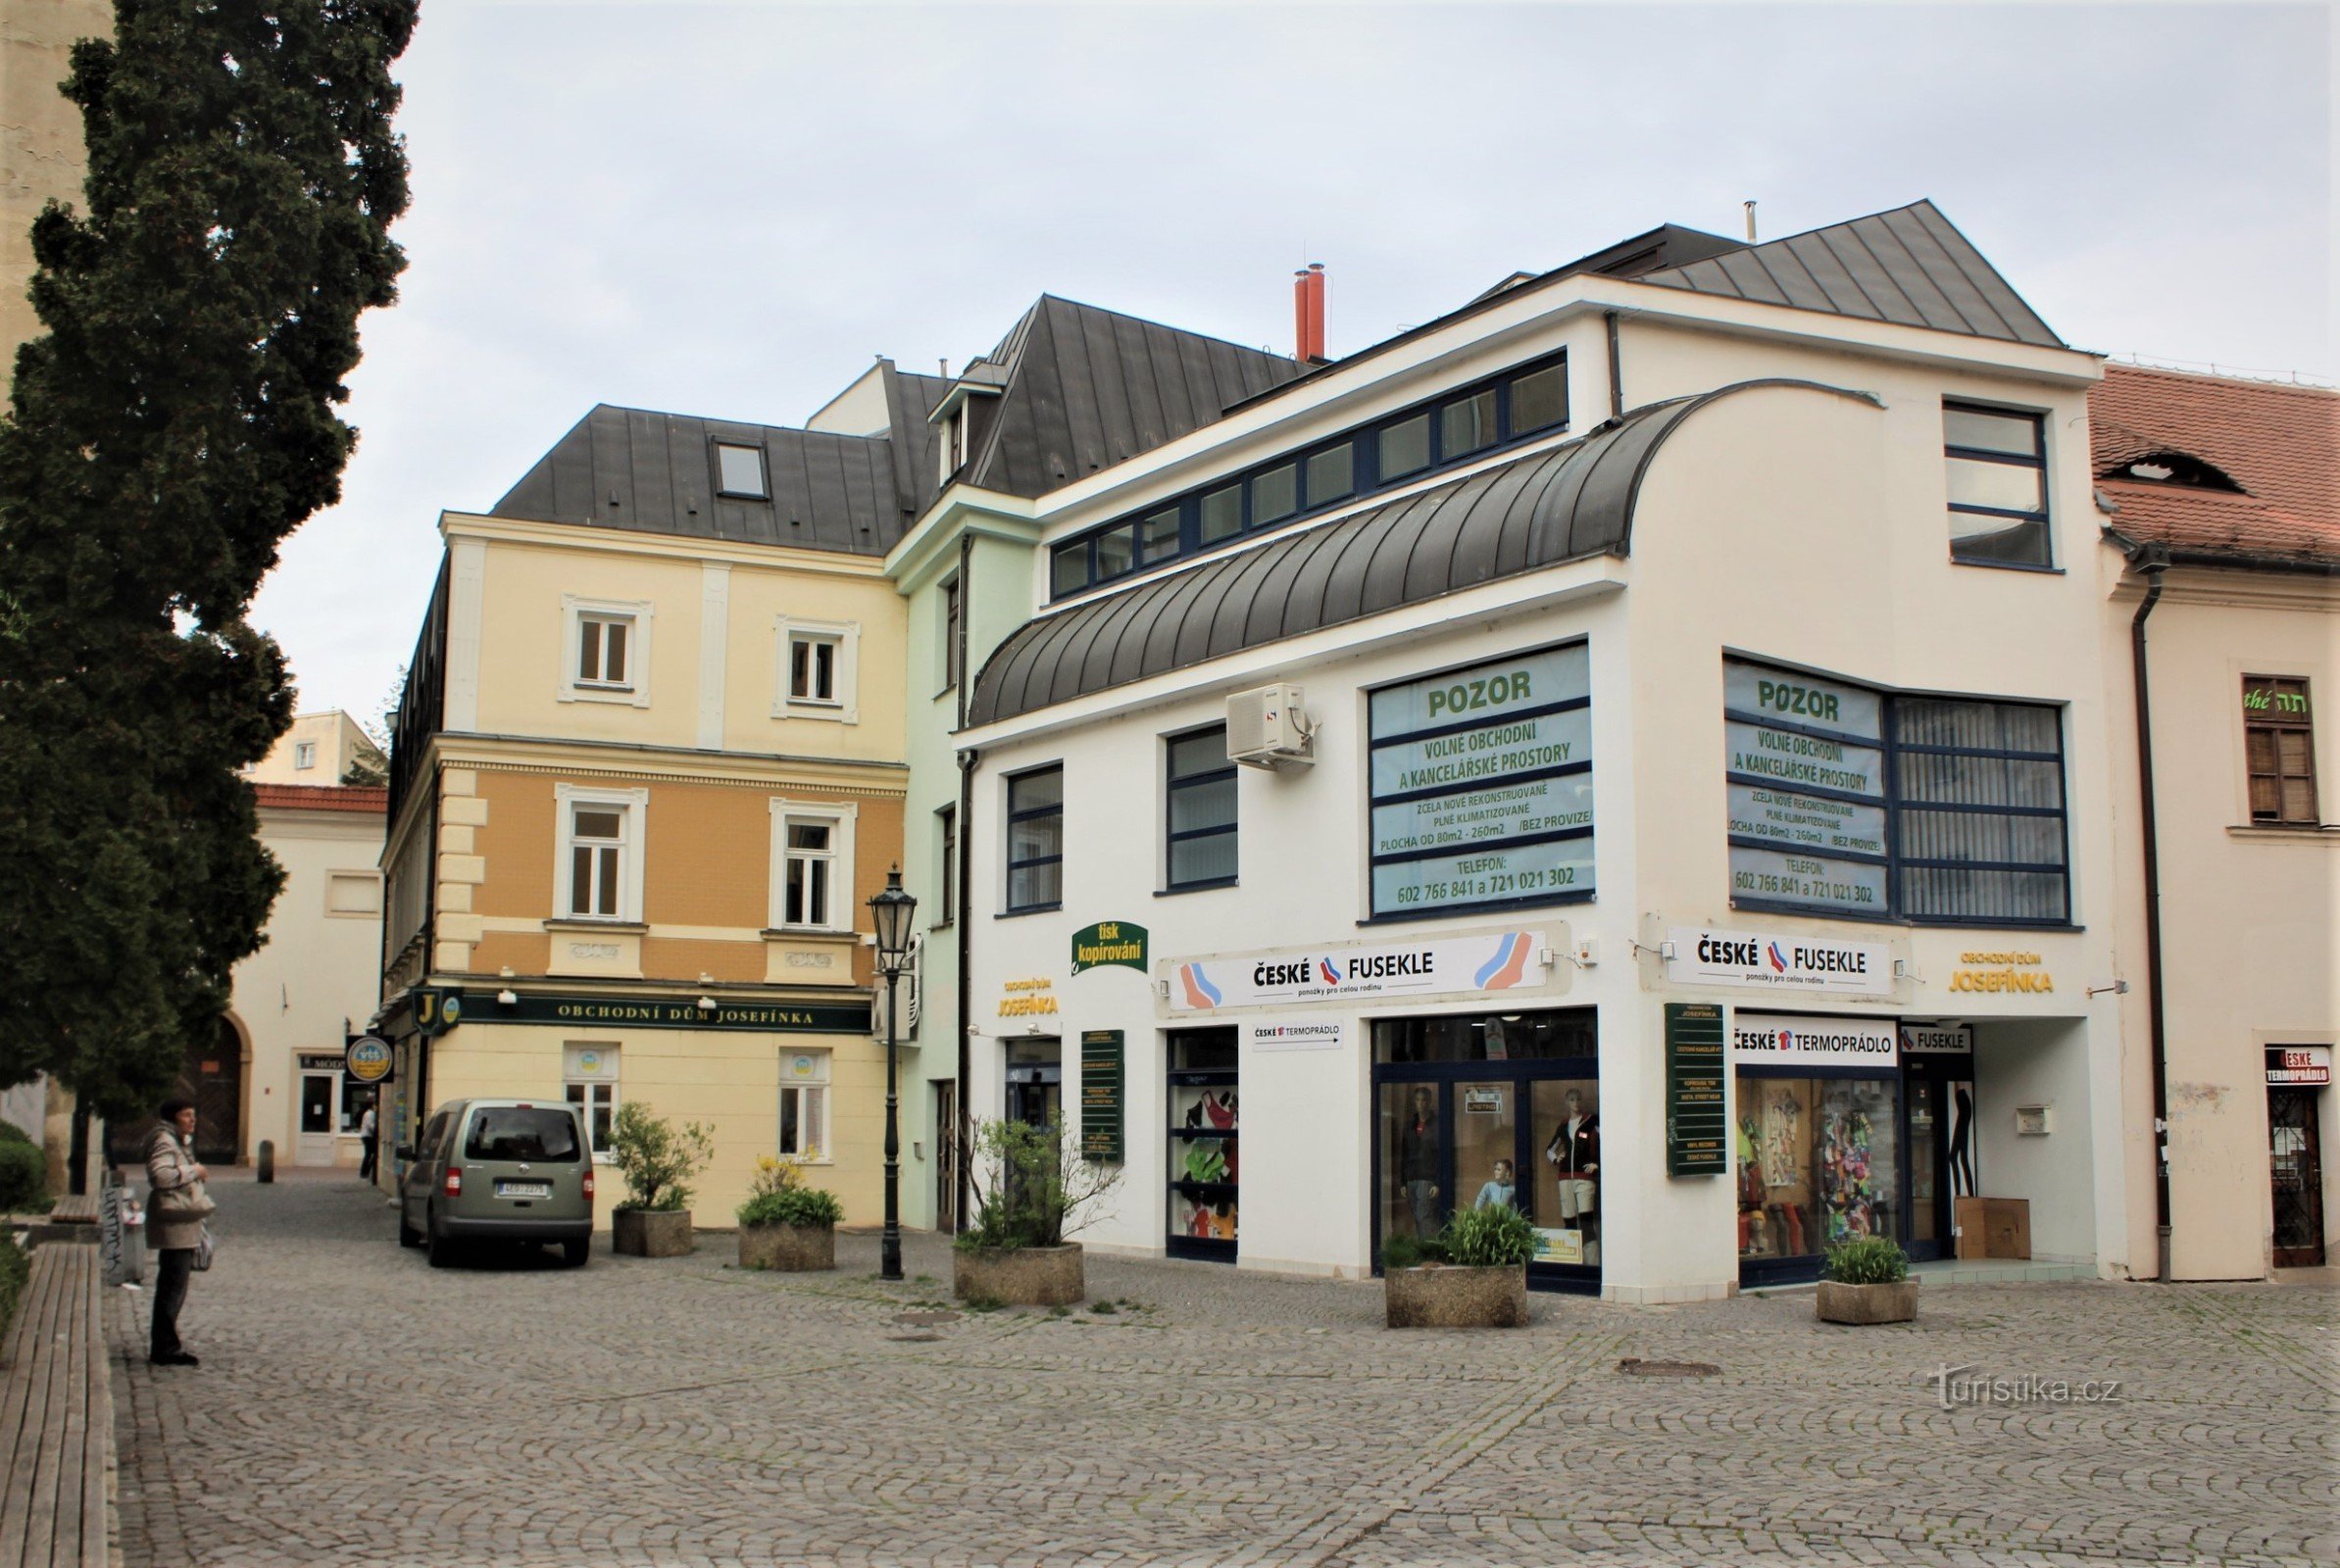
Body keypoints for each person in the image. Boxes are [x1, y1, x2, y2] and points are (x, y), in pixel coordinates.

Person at [145, 1100, 211, 1367]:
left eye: (194, 1114)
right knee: (172, 1286)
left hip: (180, 1221)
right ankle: (165, 1347)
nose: (192, 1119)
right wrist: (192, 1171)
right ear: (173, 1117)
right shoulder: (164, 1140)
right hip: (174, 1223)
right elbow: (160, 1176)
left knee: (175, 1285)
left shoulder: (176, 1139)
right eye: (186, 1115)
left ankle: (167, 1343)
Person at [1544, 1087, 1599, 1227]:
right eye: (1572, 1099)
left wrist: (1597, 1164)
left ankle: (1589, 1249)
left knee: (1586, 1220)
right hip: (1565, 1177)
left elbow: (1607, 1143)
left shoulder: (1591, 1121)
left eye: (1578, 1099)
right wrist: (1556, 1159)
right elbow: (1550, 1150)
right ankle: (1572, 1248)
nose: (1576, 1103)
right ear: (1567, 1102)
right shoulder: (1563, 1126)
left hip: (1585, 1177)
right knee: (1569, 1220)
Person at [1397, 1087, 1441, 1236]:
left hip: (1427, 1178)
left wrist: (1437, 1182)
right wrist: (1403, 1181)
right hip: (1411, 1178)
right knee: (1417, 1216)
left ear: (1429, 1102)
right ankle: (1422, 1249)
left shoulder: (1437, 1125)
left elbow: (1441, 1155)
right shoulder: (1410, 1125)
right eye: (1418, 1100)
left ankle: (1430, 1249)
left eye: (1424, 1100)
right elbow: (1404, 1154)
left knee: (1425, 1216)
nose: (1421, 1104)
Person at [357, 1099, 378, 1182]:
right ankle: (365, 1171)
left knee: (369, 1154)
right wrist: (376, 1131)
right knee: (370, 1154)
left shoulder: (369, 1113)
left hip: (366, 1135)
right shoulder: (370, 1114)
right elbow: (370, 1125)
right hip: (368, 1136)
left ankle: (365, 1171)